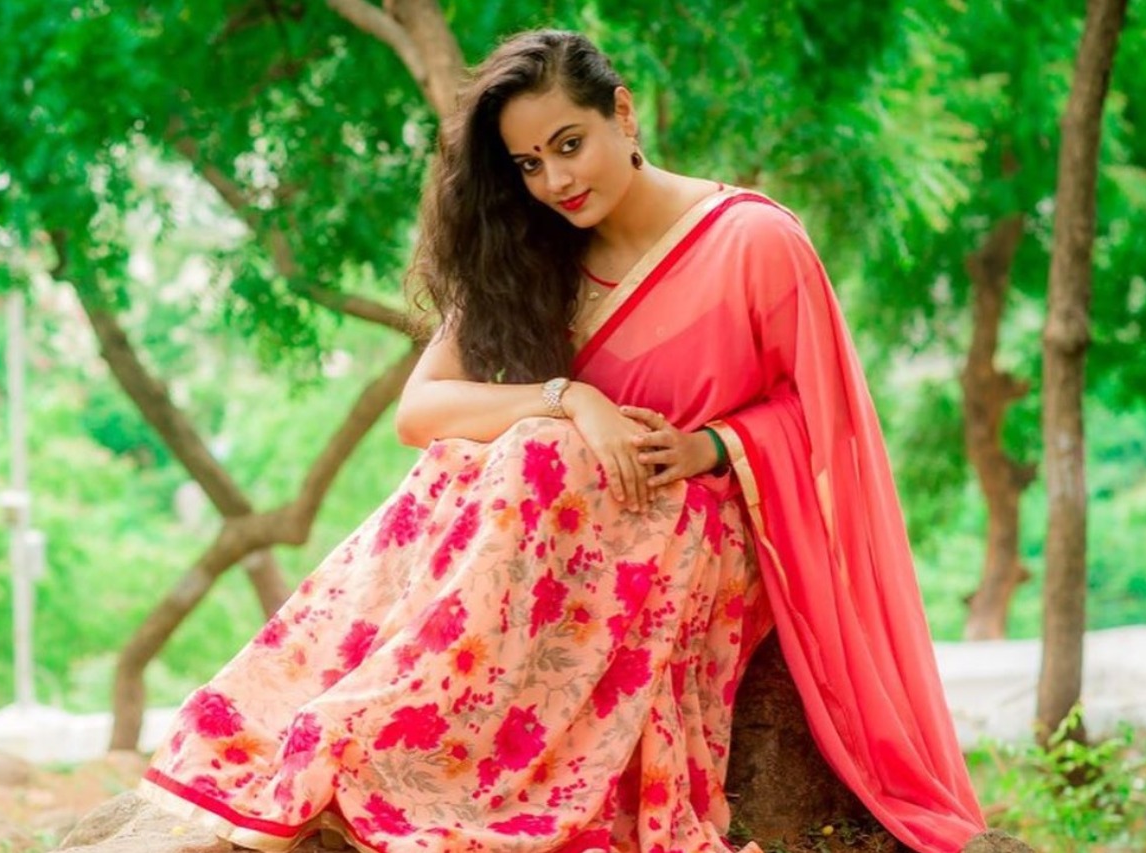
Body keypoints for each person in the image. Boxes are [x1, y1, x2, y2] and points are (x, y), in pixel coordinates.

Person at [138, 28, 993, 853]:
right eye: (528, 164)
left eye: (569, 144)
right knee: (492, 452)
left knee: (529, 452)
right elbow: (421, 410)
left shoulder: (752, 242)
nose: (555, 180)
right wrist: (571, 399)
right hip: (556, 509)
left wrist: (711, 444)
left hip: (695, 518)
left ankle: (415, 745)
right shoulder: (535, 254)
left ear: (623, 112)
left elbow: (828, 422)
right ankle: (384, 720)